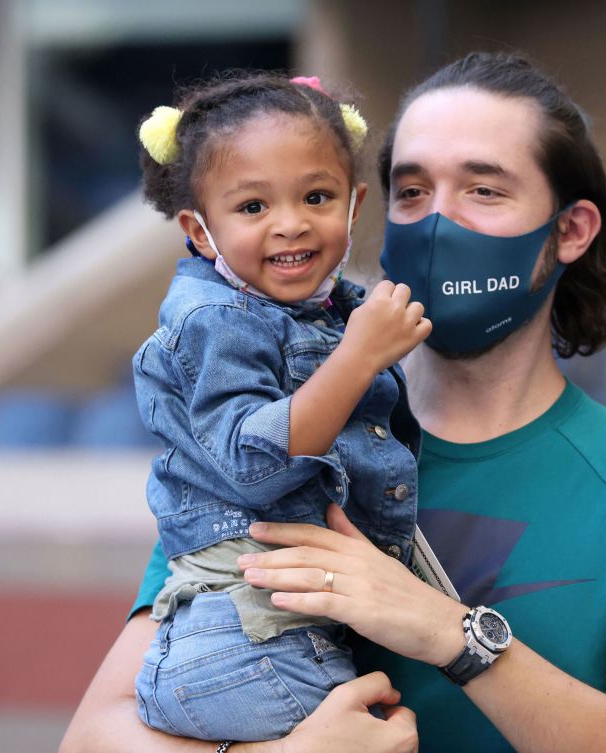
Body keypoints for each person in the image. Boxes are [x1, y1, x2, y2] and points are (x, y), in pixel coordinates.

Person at [61, 51, 606, 753]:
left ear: (569, 230)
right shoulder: (269, 445)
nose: (437, 223)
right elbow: (91, 739)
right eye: (413, 192)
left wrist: (445, 631)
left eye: (483, 190)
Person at [129, 72, 431, 744]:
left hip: (275, 630)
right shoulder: (214, 319)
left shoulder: (323, 307)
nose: (290, 222)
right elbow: (253, 463)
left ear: (353, 206)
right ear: (201, 232)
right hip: (247, 639)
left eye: (316, 196)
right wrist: (359, 357)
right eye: (252, 207)